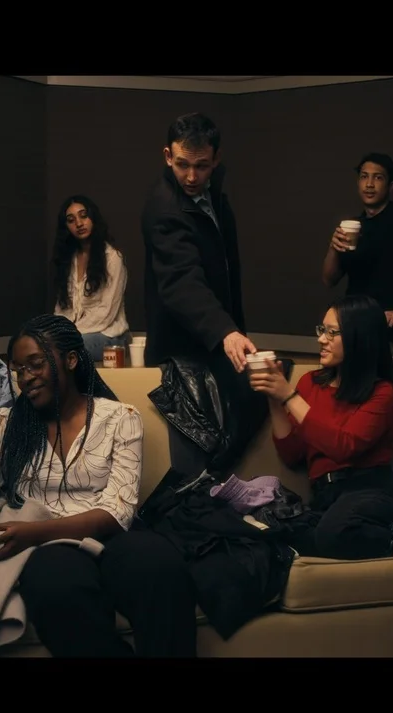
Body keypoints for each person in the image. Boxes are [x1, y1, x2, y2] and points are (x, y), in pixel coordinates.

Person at [0, 314, 197, 658]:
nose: (25, 378)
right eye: (18, 369)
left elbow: (118, 512)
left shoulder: (120, 418)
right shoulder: (6, 424)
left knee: (161, 567)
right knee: (56, 586)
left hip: (112, 535)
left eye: (35, 364)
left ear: (71, 360)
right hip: (49, 549)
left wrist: (31, 532)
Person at [248, 294, 393, 561]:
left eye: (331, 332)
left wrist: (290, 397)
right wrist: (275, 398)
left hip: (371, 490)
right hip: (326, 497)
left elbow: (344, 446)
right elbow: (292, 454)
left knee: (333, 531)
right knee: (271, 532)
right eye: (321, 330)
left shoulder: (383, 392)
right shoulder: (310, 383)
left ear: (358, 337)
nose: (321, 339)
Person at [142, 111, 255, 476]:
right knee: (190, 449)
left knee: (252, 402)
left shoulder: (216, 193)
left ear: (215, 159)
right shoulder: (163, 208)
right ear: (167, 156)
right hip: (180, 351)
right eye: (182, 165)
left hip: (215, 340)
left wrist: (233, 330)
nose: (191, 177)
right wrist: (225, 330)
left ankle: (221, 493)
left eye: (201, 166)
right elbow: (180, 282)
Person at [321, 152, 393, 334]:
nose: (369, 184)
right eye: (364, 177)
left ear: (390, 186)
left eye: (378, 178)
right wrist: (333, 247)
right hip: (356, 318)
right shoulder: (353, 226)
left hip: (392, 319)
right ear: (358, 183)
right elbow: (329, 280)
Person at [52, 194, 131, 361]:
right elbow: (61, 309)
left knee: (63, 350)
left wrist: (69, 335)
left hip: (109, 336)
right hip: (74, 336)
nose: (79, 223)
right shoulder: (68, 261)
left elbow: (106, 312)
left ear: (93, 217)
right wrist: (57, 333)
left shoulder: (113, 258)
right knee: (43, 344)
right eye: (71, 220)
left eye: (83, 215)